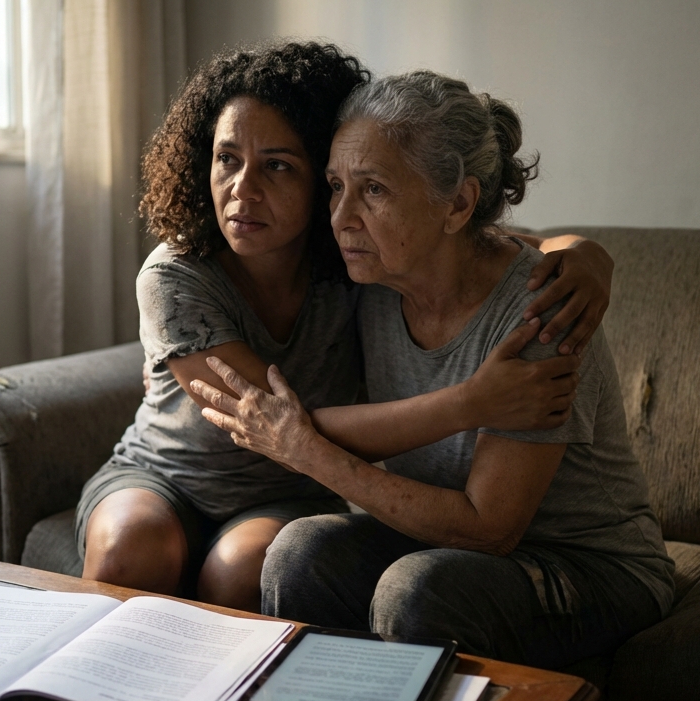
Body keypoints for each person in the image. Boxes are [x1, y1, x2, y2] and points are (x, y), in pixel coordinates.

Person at [79, 43, 617, 613]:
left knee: (244, 571)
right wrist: (471, 404)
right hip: (165, 475)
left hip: (286, 494)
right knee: (128, 551)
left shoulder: (355, 261)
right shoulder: (178, 276)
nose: (242, 188)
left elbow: (476, 243)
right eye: (226, 158)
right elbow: (273, 422)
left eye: (279, 166)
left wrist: (584, 253)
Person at [193, 70, 674, 667]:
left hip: (585, 568)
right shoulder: (369, 276)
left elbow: (489, 528)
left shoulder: (539, 317)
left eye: (373, 190)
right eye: (336, 186)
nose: (341, 217)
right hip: (441, 546)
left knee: (415, 590)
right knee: (298, 550)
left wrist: (306, 450)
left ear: (459, 204)